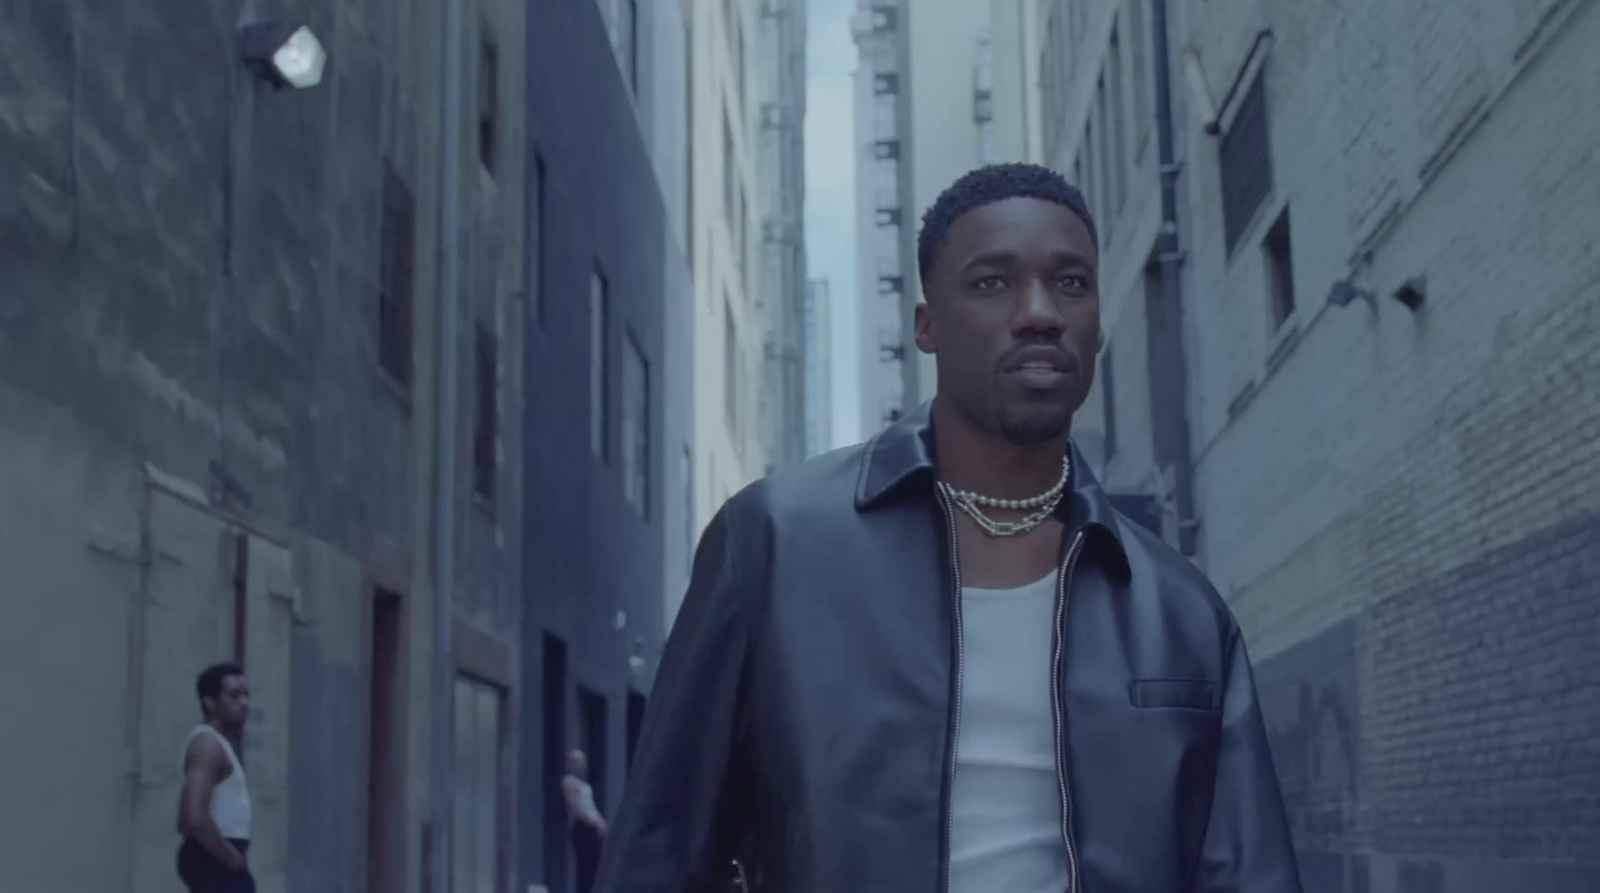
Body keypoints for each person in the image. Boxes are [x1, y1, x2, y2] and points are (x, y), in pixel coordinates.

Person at [596, 163, 1301, 893]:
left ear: (1096, 326)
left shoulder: (1180, 612)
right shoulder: (774, 544)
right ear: (926, 325)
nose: (1039, 312)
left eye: (1071, 283)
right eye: (993, 282)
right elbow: (661, 851)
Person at [176, 662, 255, 893]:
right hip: (216, 858)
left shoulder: (217, 744)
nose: (243, 703)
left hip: (214, 855)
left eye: (245, 695)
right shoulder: (207, 745)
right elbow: (193, 818)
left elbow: (183, 819)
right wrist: (231, 858)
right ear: (209, 702)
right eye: (233, 695)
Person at [562, 749, 608, 893]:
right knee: (585, 866)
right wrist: (593, 822)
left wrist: (601, 822)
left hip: (592, 828)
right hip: (583, 827)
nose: (582, 765)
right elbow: (577, 807)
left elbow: (591, 806)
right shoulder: (569, 782)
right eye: (578, 762)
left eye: (583, 762)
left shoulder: (583, 784)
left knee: (595, 866)